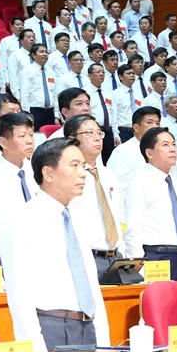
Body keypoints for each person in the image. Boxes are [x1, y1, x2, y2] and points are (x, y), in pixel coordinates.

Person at [0, 138, 110, 352]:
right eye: (74, 165)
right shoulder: (23, 220)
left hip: (87, 326)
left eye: (83, 166)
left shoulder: (76, 216)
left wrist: (103, 340)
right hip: (51, 327)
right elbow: (19, 295)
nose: (83, 173)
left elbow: (90, 282)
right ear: (48, 173)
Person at [124, 127, 177, 279]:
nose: (172, 149)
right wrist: (139, 269)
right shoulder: (140, 183)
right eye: (165, 145)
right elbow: (133, 230)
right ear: (149, 153)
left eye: (174, 144)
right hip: (156, 258)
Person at [64, 115, 124, 279]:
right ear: (72, 139)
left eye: (99, 133)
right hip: (86, 257)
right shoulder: (66, 175)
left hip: (116, 257)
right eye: (89, 133)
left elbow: (116, 215)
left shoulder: (108, 174)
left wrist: (122, 250)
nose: (97, 138)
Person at [0, 113, 38, 266]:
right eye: (22, 136)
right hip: (6, 255)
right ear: (3, 142)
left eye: (31, 134)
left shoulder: (37, 172)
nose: (29, 141)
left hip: (37, 251)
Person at [107, 107, 161, 197]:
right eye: (149, 122)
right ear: (136, 127)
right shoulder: (122, 151)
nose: (155, 127)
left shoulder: (161, 150)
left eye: (157, 123)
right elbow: (117, 188)